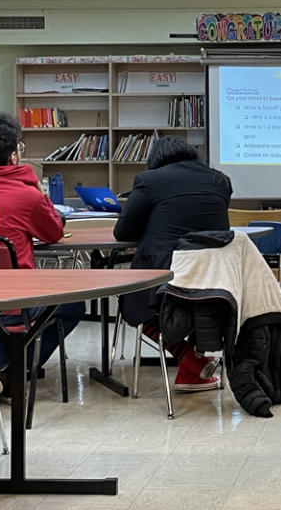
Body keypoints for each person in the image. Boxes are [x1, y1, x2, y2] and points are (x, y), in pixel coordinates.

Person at [0, 112, 85, 396]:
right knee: (74, 306)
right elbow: (53, 233)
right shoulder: (26, 196)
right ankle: (17, 370)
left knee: (0, 312)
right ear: (14, 156)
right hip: (18, 302)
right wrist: (39, 190)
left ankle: (8, 370)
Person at [114, 136, 232, 391]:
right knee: (181, 303)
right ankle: (191, 366)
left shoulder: (150, 180)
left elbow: (123, 233)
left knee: (130, 301)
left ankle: (188, 357)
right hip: (211, 276)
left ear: (155, 160)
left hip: (165, 275)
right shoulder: (220, 181)